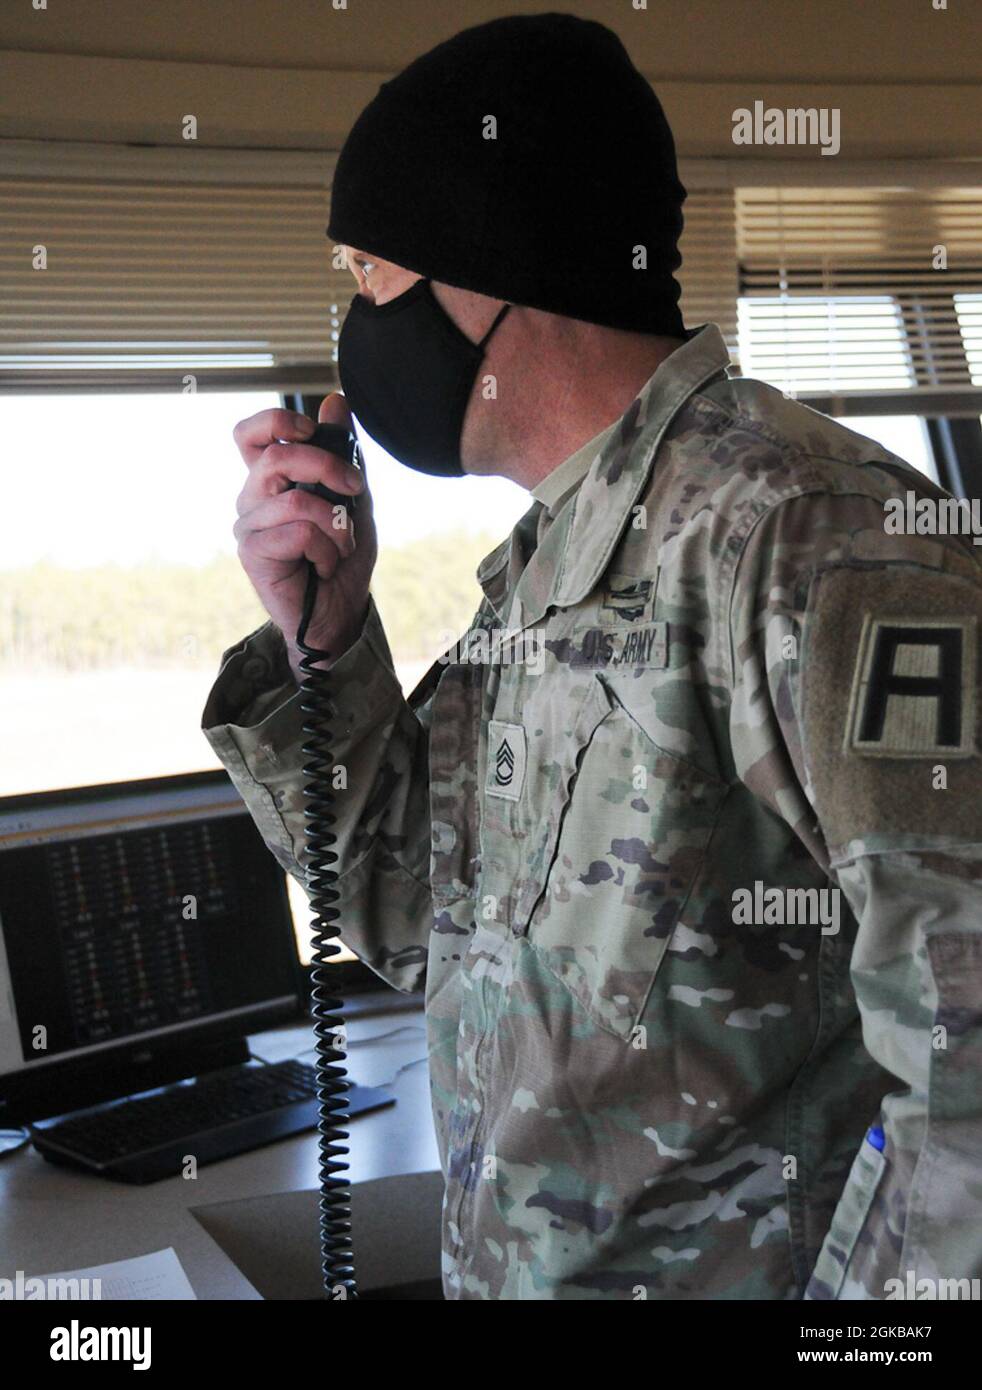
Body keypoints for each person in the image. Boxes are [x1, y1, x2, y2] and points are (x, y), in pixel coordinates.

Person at [202, 14, 982, 1300]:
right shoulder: (553, 570)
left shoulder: (805, 534)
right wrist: (322, 639)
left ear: (483, 265)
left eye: (366, 269)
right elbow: (421, 923)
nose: (353, 317)